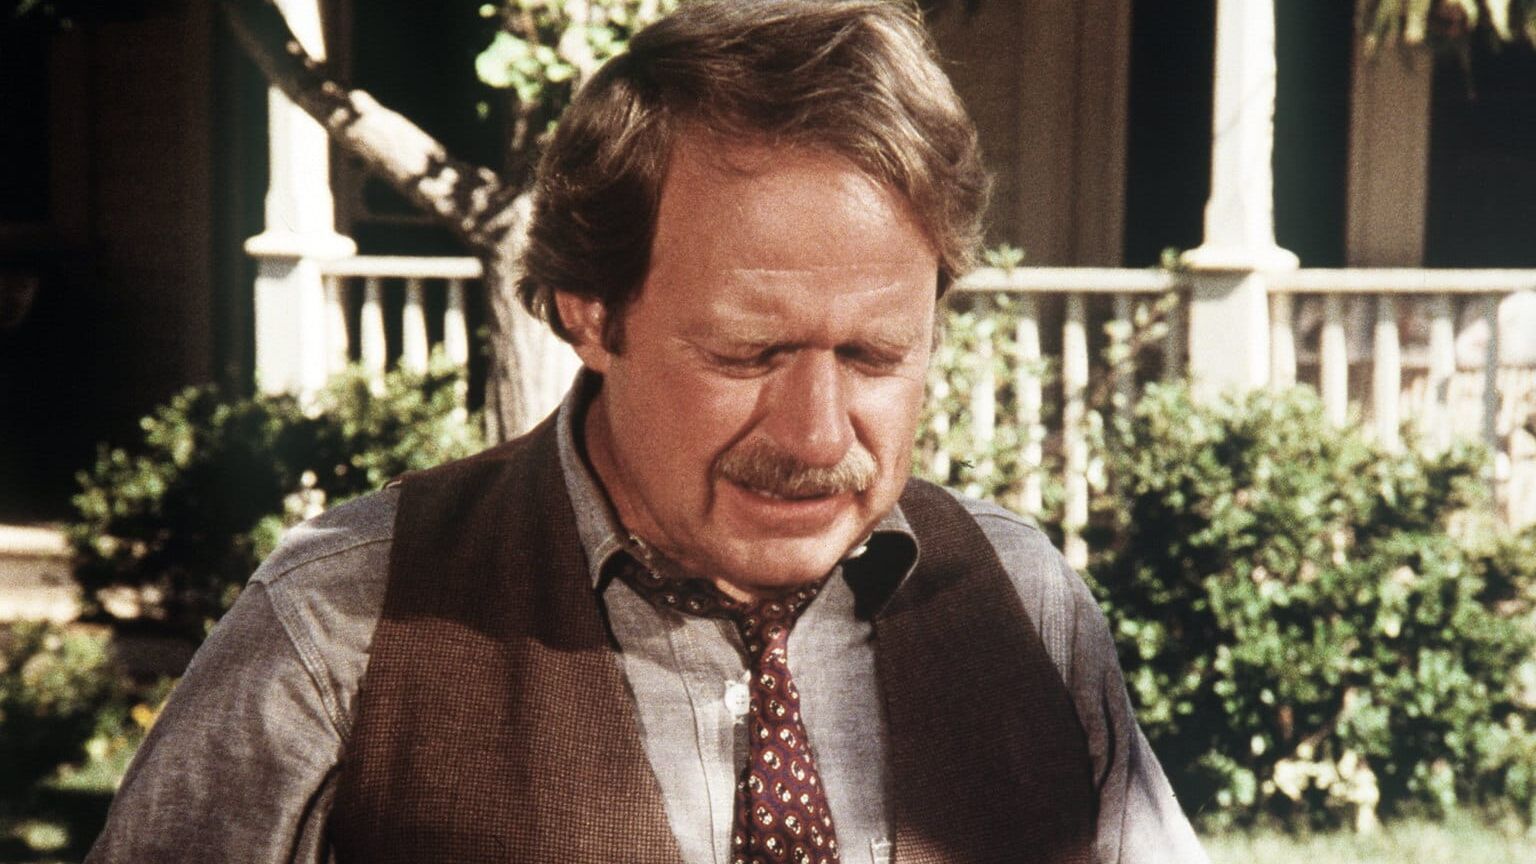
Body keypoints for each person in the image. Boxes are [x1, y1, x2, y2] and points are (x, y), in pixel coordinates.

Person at [87, 2, 1208, 862]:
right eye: (747, 354)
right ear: (591, 313)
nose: (817, 436)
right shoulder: (339, 624)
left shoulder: (1027, 603)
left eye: (874, 355)